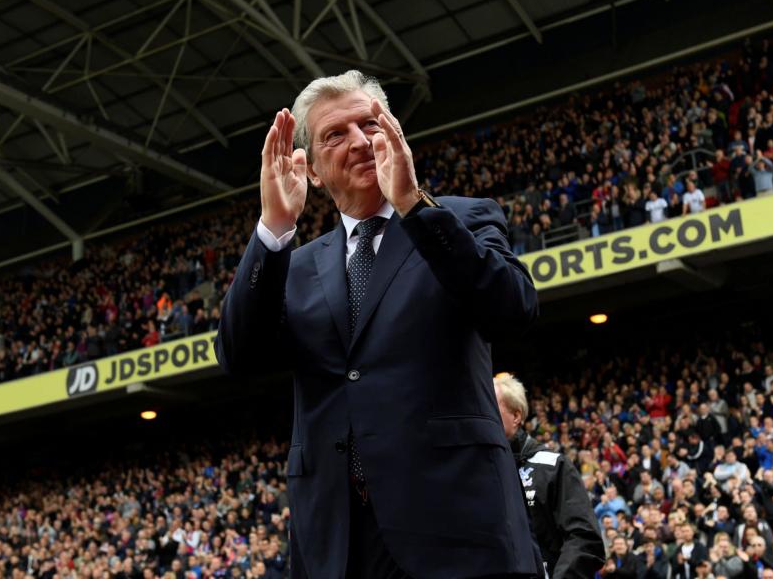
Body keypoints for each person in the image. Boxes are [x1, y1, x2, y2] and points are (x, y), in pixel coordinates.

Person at [215, 70, 541, 579]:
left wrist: (413, 205)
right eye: (335, 134)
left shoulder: (462, 219)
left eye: (371, 124)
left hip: (458, 531)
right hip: (339, 545)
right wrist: (274, 229)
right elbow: (238, 356)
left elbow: (515, 308)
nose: (361, 141)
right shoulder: (293, 266)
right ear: (314, 172)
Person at [493, 373, 605, 578]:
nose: (485, 415)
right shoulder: (479, 472)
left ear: (516, 416)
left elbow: (585, 538)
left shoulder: (553, 465)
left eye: (492, 407)